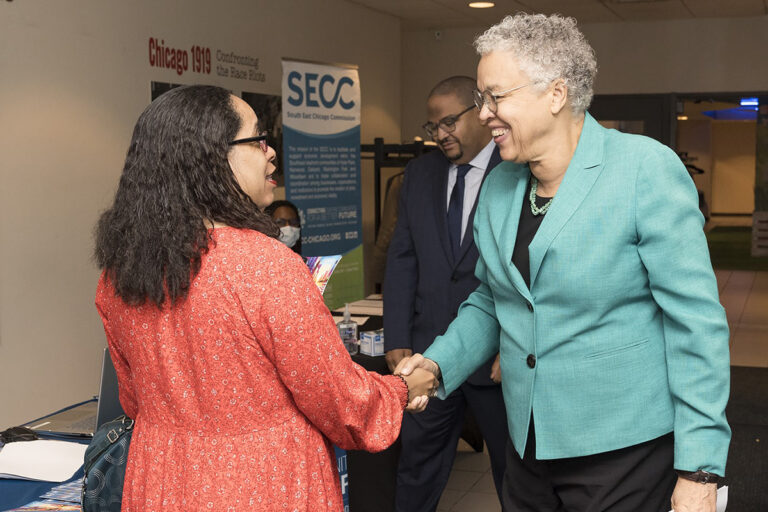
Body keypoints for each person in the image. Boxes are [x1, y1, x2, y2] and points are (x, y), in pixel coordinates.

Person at [397, 14, 730, 512]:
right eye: (482, 99)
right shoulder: (500, 185)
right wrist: (437, 363)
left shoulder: (643, 169)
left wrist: (700, 470)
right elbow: (493, 299)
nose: (484, 113)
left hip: (625, 452)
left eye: (495, 96)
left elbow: (696, 325)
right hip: (527, 446)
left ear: (555, 94)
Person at [93, 85, 437, 512]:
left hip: (160, 480)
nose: (271, 152)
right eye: (258, 139)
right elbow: (340, 403)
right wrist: (403, 388)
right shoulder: (265, 265)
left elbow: (133, 399)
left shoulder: (120, 272)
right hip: (260, 482)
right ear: (213, 157)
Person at [384, 75, 508, 511]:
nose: (440, 134)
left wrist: (515, 344)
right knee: (417, 467)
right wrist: (398, 335)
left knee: (514, 473)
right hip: (428, 353)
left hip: (496, 359)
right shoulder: (419, 174)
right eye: (432, 126)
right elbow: (402, 258)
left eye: (449, 122)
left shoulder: (515, 168)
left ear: (481, 113)